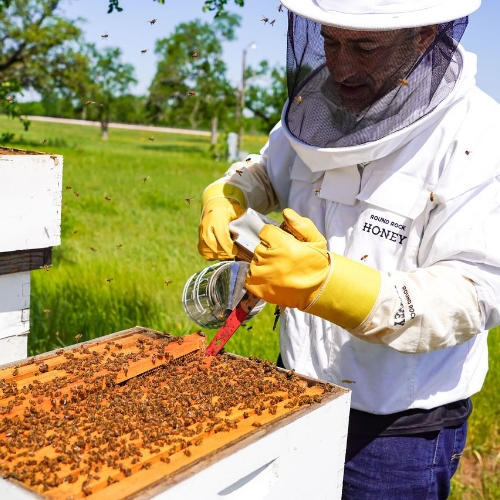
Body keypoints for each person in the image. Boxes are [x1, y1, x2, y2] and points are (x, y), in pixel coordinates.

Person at [197, 0, 500, 498]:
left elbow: (477, 290)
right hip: (296, 388)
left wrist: (332, 286)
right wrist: (230, 194)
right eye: (331, 41)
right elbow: (268, 169)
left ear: (423, 34)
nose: (341, 64)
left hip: (396, 429)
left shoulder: (476, 135)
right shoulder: (315, 105)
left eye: (363, 46)